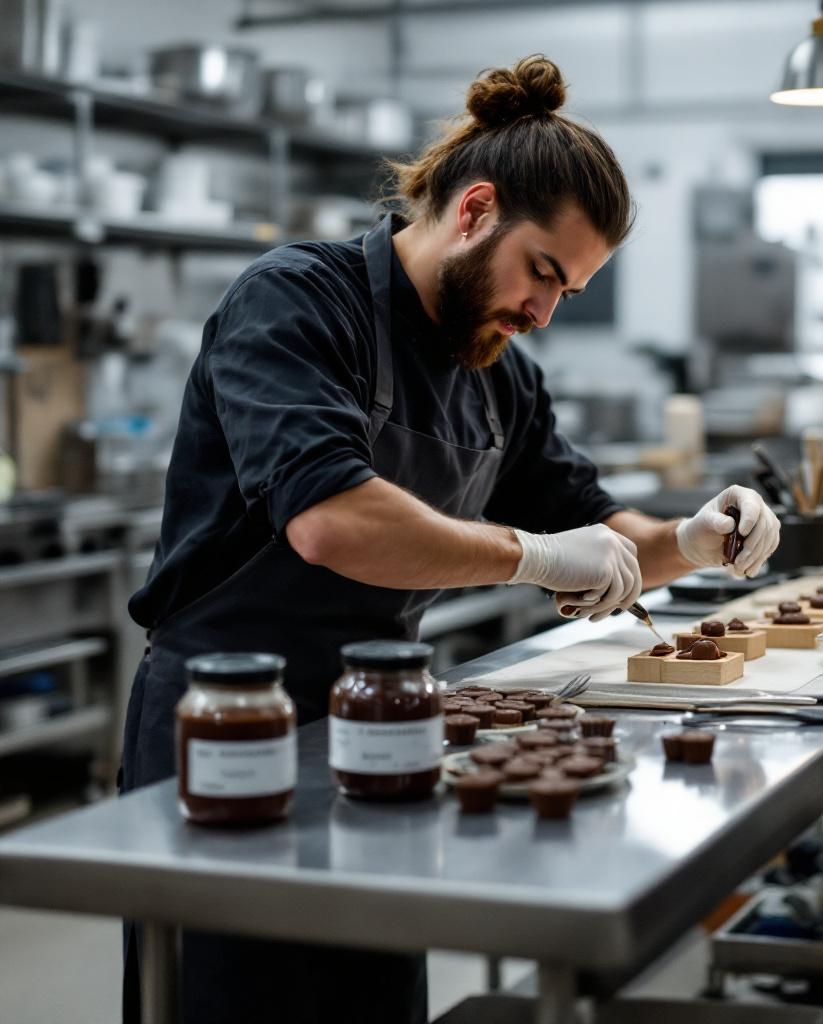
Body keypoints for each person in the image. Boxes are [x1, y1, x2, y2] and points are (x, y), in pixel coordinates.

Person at [120, 54, 780, 1024]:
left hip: (380, 714)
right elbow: (333, 520)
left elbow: (601, 529)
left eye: (571, 292)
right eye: (543, 273)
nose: (545, 311)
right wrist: (537, 555)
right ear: (473, 211)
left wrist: (694, 536)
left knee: (371, 993)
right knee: (237, 996)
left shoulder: (497, 373)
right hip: (228, 716)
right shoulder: (301, 303)